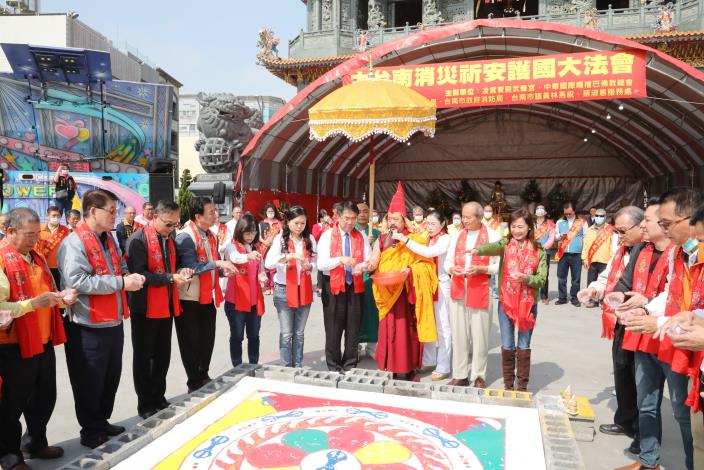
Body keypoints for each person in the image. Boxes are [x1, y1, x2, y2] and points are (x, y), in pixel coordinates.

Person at [618, 189, 704, 470]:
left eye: (665, 223)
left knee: (684, 413)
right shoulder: (675, 253)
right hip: (658, 335)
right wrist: (646, 310)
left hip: (681, 342)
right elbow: (670, 294)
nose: (653, 227)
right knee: (647, 403)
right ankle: (648, 462)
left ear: (690, 219)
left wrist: (662, 321)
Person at [57, 189, 146, 449]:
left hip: (112, 321)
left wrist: (130, 276)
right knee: (89, 380)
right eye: (112, 211)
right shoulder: (74, 242)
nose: (115, 216)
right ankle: (90, 430)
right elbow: (77, 281)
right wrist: (121, 283)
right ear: (93, 211)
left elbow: (119, 265)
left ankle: (101, 421)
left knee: (109, 377)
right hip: (87, 325)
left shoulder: (108, 239)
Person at [0, 208, 76, 470]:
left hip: (41, 340)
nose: (35, 239)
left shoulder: (37, 257)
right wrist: (34, 303)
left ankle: (34, 441)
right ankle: (10, 457)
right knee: (12, 404)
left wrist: (60, 297)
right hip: (13, 344)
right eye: (29, 234)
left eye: (37, 233)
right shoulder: (1, 258)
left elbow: (46, 291)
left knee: (45, 396)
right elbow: (0, 306)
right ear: (10, 231)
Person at [578, 206, 644, 456]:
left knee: (641, 379)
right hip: (620, 320)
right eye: (616, 231)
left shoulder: (649, 252)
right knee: (622, 370)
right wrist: (594, 290)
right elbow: (609, 279)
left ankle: (641, 431)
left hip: (641, 321)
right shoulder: (622, 250)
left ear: (641, 227)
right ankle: (625, 420)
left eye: (623, 230)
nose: (619, 235)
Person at [126, 200, 191, 419]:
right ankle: (145, 403)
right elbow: (140, 275)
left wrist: (182, 271)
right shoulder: (138, 240)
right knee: (144, 357)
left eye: (175, 224)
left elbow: (174, 265)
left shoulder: (169, 239)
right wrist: (169, 278)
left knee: (163, 355)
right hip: (145, 307)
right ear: (155, 217)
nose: (172, 229)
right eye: (168, 224)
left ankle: (158, 396)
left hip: (166, 304)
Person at [367, 182, 438, 381]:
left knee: (406, 332)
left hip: (407, 291)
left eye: (396, 219)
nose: (392, 223)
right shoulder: (381, 239)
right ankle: (391, 367)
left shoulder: (413, 239)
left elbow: (426, 264)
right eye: (389, 219)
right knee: (390, 330)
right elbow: (374, 259)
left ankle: (408, 369)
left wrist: (411, 271)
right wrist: (366, 265)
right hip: (387, 290)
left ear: (404, 220)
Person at [473, 208, 548, 391]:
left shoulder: (539, 250)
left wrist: (526, 278)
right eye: (513, 226)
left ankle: (522, 386)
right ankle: (508, 385)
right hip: (506, 302)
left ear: (529, 227)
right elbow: (492, 247)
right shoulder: (505, 244)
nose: (517, 230)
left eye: (521, 226)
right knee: (507, 344)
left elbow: (541, 279)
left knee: (523, 344)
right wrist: (478, 250)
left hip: (527, 304)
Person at [175, 197, 235, 393]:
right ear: (198, 216)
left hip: (206, 295)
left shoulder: (210, 234)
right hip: (190, 297)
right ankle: (194, 381)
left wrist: (220, 271)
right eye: (211, 212)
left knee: (207, 338)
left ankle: (203, 374)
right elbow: (191, 266)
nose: (215, 215)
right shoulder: (185, 236)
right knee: (190, 341)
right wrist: (217, 264)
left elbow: (209, 260)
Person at [444, 201, 502, 388]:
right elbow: (447, 262)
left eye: (468, 217)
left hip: (481, 288)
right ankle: (460, 374)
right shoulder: (457, 235)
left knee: (480, 335)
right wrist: (452, 268)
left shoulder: (492, 236)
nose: (464, 220)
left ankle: (478, 375)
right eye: (463, 216)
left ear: (479, 217)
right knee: (459, 334)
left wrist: (482, 268)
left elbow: (498, 265)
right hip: (459, 287)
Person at [317, 201, 371, 372]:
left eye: (353, 218)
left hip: (354, 285)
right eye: (346, 218)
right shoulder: (327, 236)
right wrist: (340, 259)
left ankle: (349, 363)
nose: (350, 222)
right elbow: (321, 264)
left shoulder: (360, 236)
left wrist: (363, 266)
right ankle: (333, 365)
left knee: (353, 326)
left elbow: (367, 260)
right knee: (333, 327)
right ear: (338, 217)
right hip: (332, 286)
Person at [398, 210, 452, 381]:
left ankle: (444, 365)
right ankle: (429, 359)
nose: (428, 227)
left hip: (441, 286)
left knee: (443, 326)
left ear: (443, 224)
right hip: (425, 284)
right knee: (426, 320)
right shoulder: (426, 237)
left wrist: (405, 240)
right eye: (427, 223)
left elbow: (429, 253)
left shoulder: (445, 239)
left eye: (433, 223)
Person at [264, 206, 317, 368]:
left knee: (299, 333)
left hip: (304, 288)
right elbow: (268, 263)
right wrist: (289, 256)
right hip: (284, 289)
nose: (299, 226)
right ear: (288, 222)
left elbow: (316, 261)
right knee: (287, 333)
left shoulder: (309, 239)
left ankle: (298, 365)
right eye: (296, 223)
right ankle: (287, 366)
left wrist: (311, 267)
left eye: (303, 223)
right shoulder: (281, 239)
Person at [222, 213, 265, 367]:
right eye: (247, 232)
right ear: (240, 231)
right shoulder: (232, 246)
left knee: (254, 335)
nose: (250, 236)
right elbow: (235, 258)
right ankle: (237, 366)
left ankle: (253, 364)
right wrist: (248, 256)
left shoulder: (256, 247)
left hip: (253, 300)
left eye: (253, 232)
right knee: (237, 335)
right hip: (236, 302)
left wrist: (262, 276)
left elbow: (261, 269)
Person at [356, 201, 381, 358]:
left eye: (366, 211)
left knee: (372, 311)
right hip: (357, 277)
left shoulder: (377, 233)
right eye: (360, 211)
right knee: (356, 312)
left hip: (373, 279)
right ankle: (355, 345)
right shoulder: (352, 232)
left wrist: (372, 245)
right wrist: (365, 242)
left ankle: (372, 345)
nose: (363, 214)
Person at [582, 208, 618, 308]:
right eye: (597, 215)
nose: (599, 218)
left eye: (601, 216)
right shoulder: (590, 229)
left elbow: (613, 246)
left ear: (605, 217)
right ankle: (592, 300)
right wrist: (584, 258)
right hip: (592, 260)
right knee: (591, 281)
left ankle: (603, 300)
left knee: (605, 281)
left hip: (606, 260)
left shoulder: (610, 230)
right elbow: (586, 245)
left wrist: (613, 260)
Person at [555, 202, 588, 306]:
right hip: (563, 253)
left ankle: (574, 298)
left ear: (574, 211)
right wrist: (560, 235)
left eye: (569, 213)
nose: (568, 215)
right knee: (561, 277)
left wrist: (584, 254)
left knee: (576, 278)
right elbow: (554, 237)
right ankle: (562, 297)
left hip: (576, 254)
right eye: (566, 213)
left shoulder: (582, 222)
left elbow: (586, 237)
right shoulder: (560, 222)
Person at [36, 206, 70, 290]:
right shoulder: (39, 229)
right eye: (53, 215)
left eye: (58, 216)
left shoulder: (65, 231)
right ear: (47, 216)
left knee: (59, 290)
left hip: (59, 267)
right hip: (41, 266)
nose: (56, 218)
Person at [534, 204, 555, 305]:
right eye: (538, 209)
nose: (539, 210)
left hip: (544, 252)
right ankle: (532, 294)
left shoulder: (549, 224)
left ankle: (544, 296)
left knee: (544, 275)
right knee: (531, 273)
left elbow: (552, 238)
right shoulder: (531, 223)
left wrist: (544, 246)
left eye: (542, 209)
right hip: (532, 252)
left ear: (545, 212)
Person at [259, 203, 282, 296]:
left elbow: (281, 236)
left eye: (272, 211)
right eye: (268, 211)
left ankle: (273, 286)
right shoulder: (261, 223)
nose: (270, 213)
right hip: (264, 247)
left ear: (275, 212)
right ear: (266, 212)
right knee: (266, 268)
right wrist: (265, 242)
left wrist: (275, 243)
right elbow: (259, 236)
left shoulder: (279, 223)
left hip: (275, 248)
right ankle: (267, 287)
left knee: (274, 268)